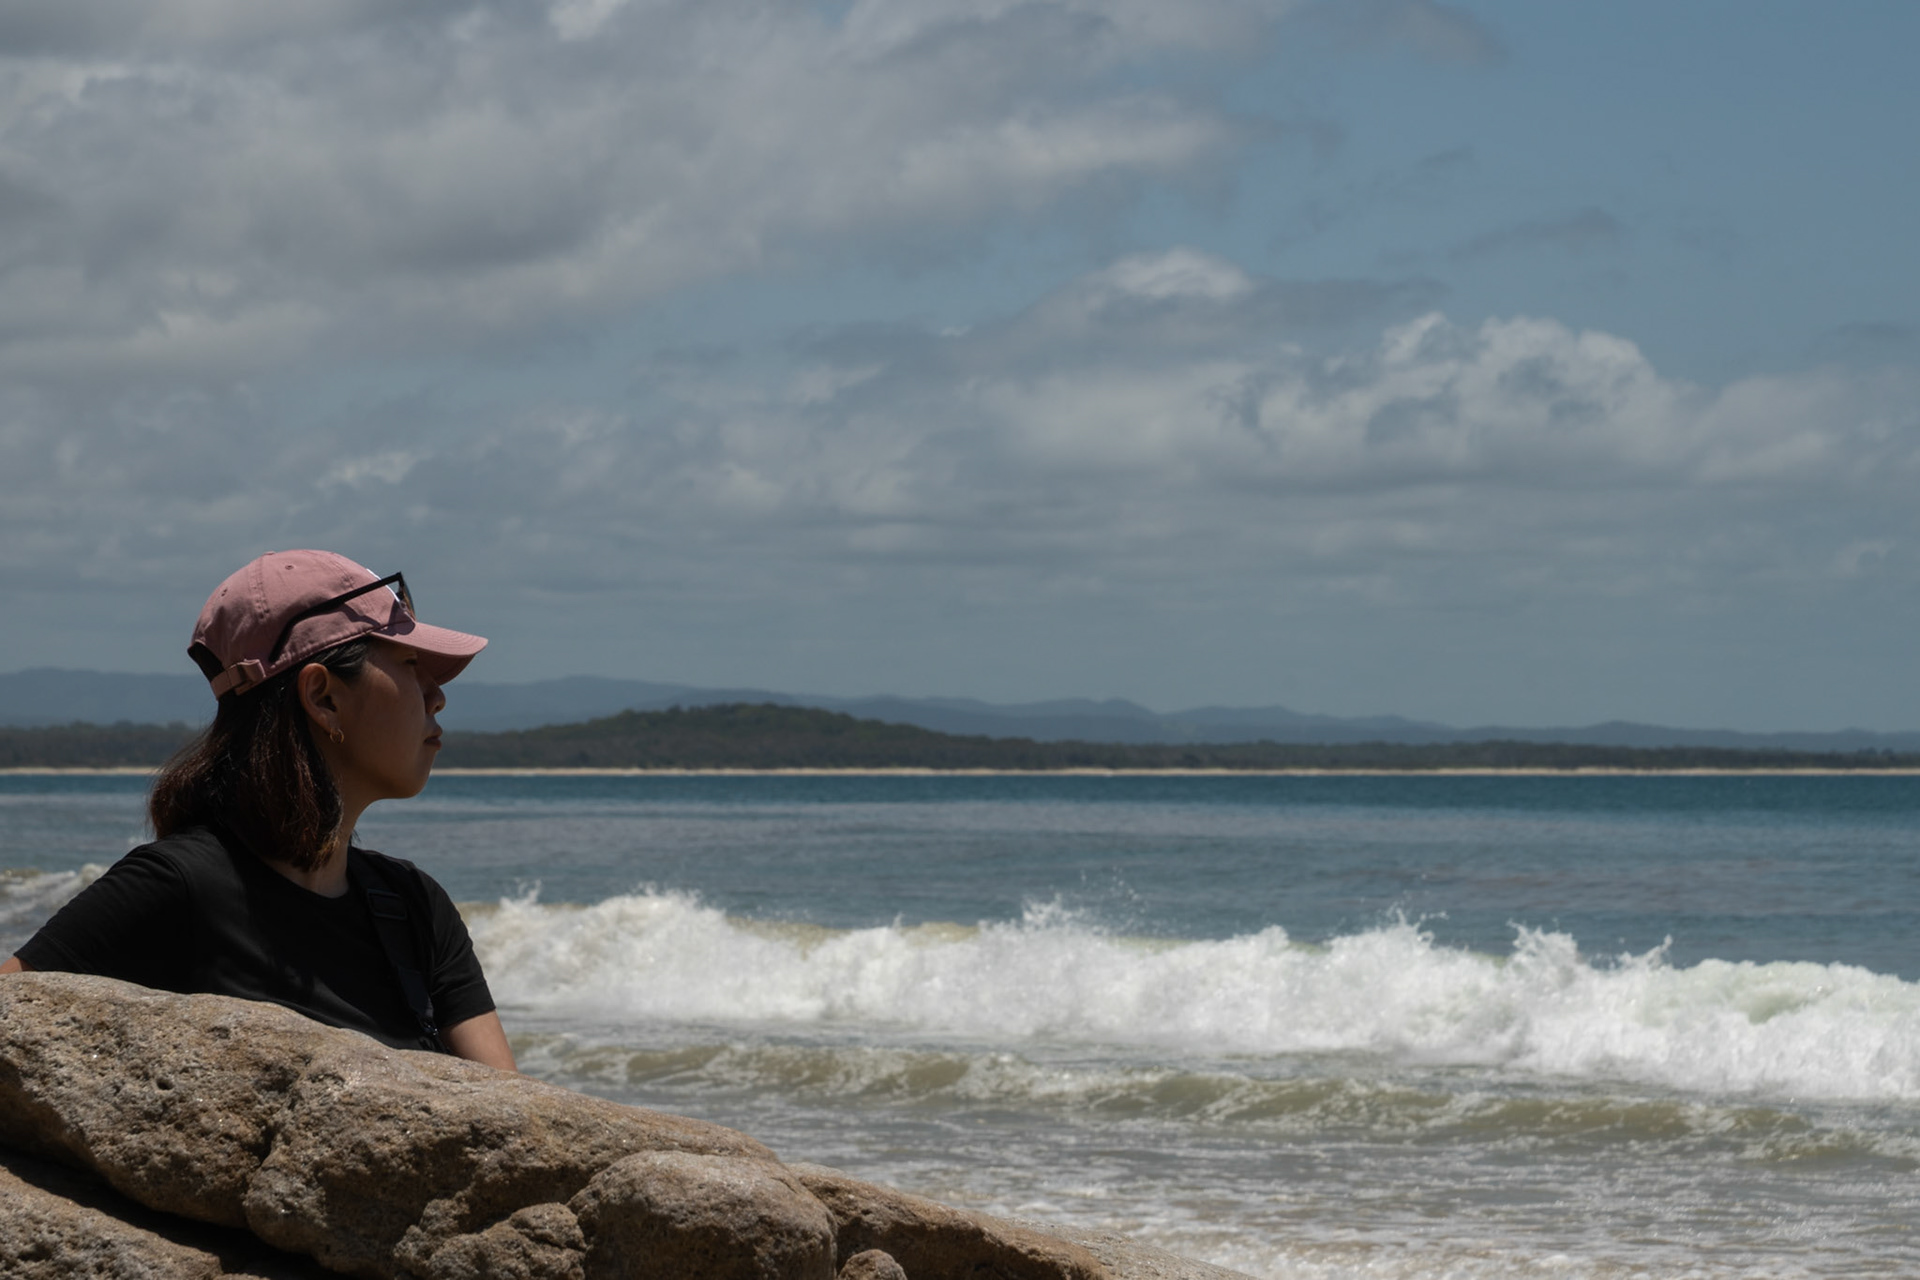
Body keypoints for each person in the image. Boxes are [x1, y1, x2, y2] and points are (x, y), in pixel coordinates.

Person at [0, 550, 516, 1071]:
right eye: (410, 664)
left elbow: (508, 1109)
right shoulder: (177, 887)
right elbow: (13, 1015)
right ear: (324, 698)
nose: (437, 695)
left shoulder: (413, 907)